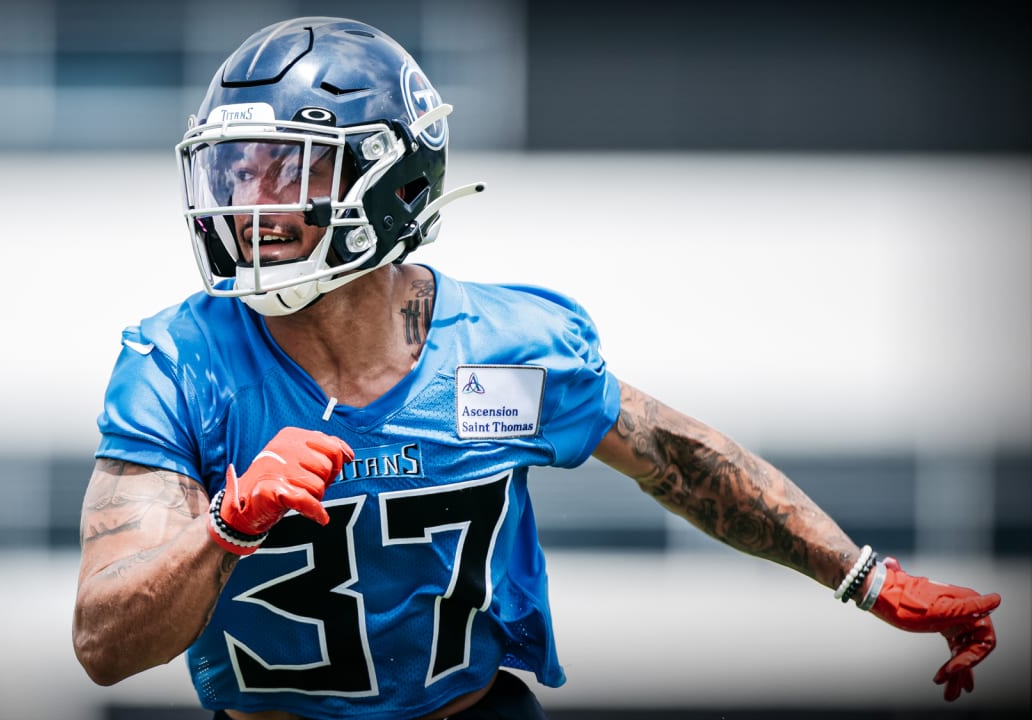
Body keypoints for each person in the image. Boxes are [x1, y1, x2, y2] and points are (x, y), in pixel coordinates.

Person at [72, 17, 1001, 720]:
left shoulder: (497, 360)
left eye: (283, 172)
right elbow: (104, 644)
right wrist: (224, 531)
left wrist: (869, 579)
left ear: (390, 182)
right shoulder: (182, 365)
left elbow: (682, 461)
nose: (248, 207)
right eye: (235, 175)